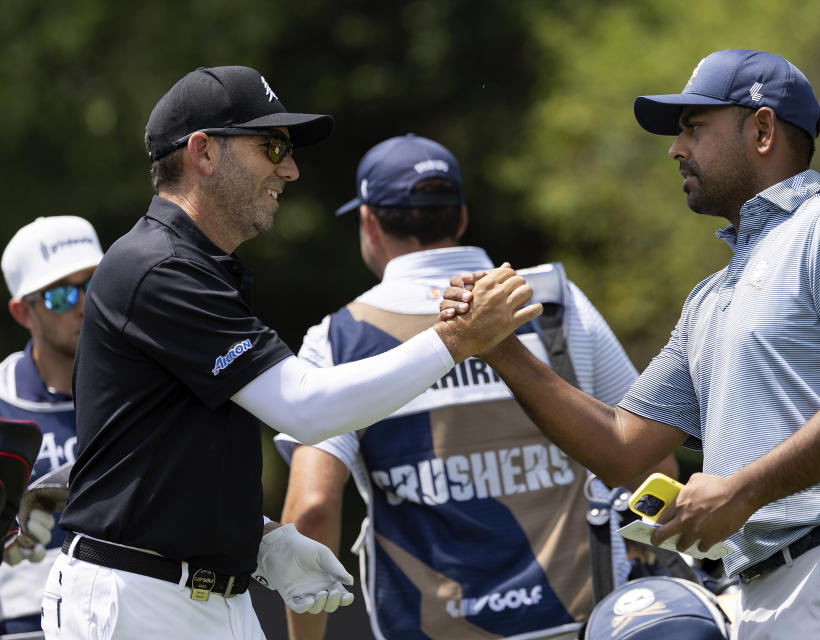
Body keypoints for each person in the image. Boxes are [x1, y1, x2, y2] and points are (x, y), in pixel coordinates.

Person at [442, 49, 820, 639]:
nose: (676, 149)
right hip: (765, 586)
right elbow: (623, 448)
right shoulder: (709, 297)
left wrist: (740, 491)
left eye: (695, 128)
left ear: (762, 128)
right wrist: (499, 347)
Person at [42, 66, 538, 640]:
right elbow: (308, 409)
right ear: (203, 153)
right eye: (272, 145)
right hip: (136, 600)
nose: (292, 169)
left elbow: (170, 458)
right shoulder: (159, 268)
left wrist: (259, 538)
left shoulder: (193, 266)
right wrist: (459, 339)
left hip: (202, 597)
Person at [275, 133, 678, 640]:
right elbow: (653, 462)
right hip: (582, 620)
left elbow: (312, 509)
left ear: (369, 223)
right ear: (461, 218)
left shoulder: (338, 338)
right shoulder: (554, 304)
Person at [0, 215, 103, 636]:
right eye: (60, 295)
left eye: (94, 284)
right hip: (25, 624)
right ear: (24, 312)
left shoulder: (147, 390)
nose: (83, 304)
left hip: (127, 617)